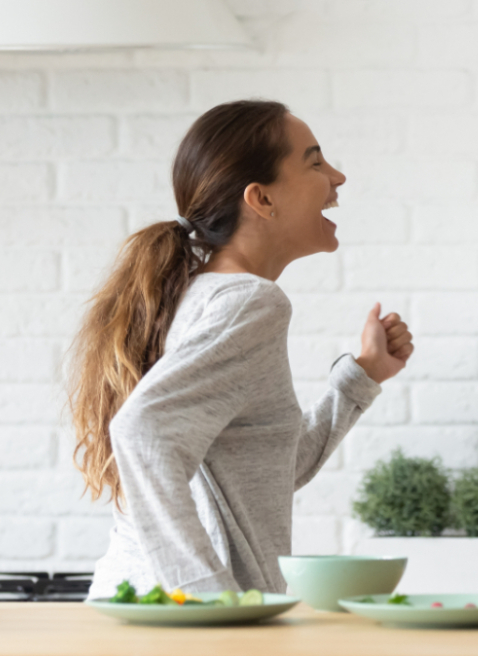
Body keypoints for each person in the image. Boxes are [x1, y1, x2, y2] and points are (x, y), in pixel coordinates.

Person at [69, 100, 414, 599]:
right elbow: (142, 432)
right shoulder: (251, 302)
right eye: (315, 163)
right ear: (261, 199)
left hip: (145, 607)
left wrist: (363, 375)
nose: (337, 177)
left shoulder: (199, 296)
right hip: (177, 621)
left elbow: (267, 473)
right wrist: (209, 599)